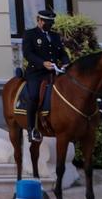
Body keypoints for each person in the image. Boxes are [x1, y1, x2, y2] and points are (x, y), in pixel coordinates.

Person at [21, 9, 66, 142]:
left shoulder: (55, 36)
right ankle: (31, 129)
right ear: (39, 21)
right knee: (34, 96)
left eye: (50, 23)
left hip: (54, 72)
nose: (48, 25)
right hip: (36, 72)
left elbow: (62, 52)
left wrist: (66, 62)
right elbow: (28, 54)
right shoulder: (30, 34)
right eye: (46, 22)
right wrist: (42, 63)